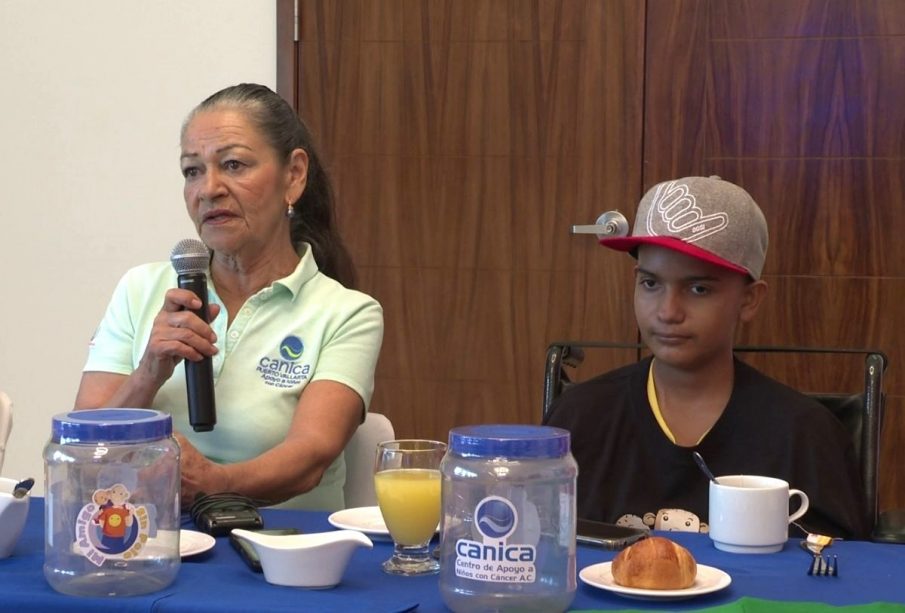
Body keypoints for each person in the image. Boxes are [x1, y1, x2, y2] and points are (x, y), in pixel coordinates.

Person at [75, 83, 384, 512]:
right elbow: (81, 450)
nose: (209, 189)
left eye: (234, 165)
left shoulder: (348, 314)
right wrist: (150, 370)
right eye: (192, 171)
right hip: (150, 537)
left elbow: (310, 457)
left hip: (282, 552)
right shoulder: (141, 289)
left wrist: (215, 484)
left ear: (293, 175)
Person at [543, 176, 868, 539]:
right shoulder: (579, 419)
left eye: (698, 289)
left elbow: (843, 575)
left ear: (750, 300)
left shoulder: (805, 436)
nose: (667, 311)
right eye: (650, 283)